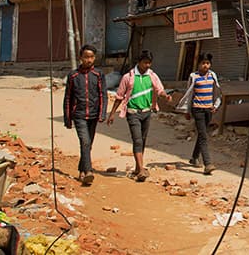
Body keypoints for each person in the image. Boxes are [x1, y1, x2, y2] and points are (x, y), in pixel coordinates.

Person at [107, 50, 172, 181]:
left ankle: (138, 167)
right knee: (137, 139)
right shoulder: (128, 77)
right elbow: (119, 96)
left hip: (146, 112)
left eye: (149, 63)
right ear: (139, 62)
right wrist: (112, 113)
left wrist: (165, 96)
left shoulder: (152, 76)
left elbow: (160, 90)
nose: (147, 65)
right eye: (145, 62)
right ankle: (141, 169)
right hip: (132, 113)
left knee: (142, 139)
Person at [63, 45, 107, 186]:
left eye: (91, 57)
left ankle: (81, 169)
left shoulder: (98, 75)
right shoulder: (73, 76)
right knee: (85, 142)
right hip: (79, 115)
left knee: (88, 144)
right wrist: (67, 118)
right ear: (80, 58)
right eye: (86, 57)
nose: (89, 60)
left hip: (93, 115)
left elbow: (103, 95)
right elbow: (68, 98)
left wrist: (102, 113)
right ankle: (88, 172)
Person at [176, 52, 221, 174]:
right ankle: (208, 163)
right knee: (203, 135)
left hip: (208, 109)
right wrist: (187, 110)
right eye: (203, 63)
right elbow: (189, 94)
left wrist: (216, 105)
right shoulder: (194, 76)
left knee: (202, 134)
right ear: (199, 64)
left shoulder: (212, 76)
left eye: (208, 63)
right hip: (197, 109)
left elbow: (217, 92)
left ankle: (194, 157)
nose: (205, 66)